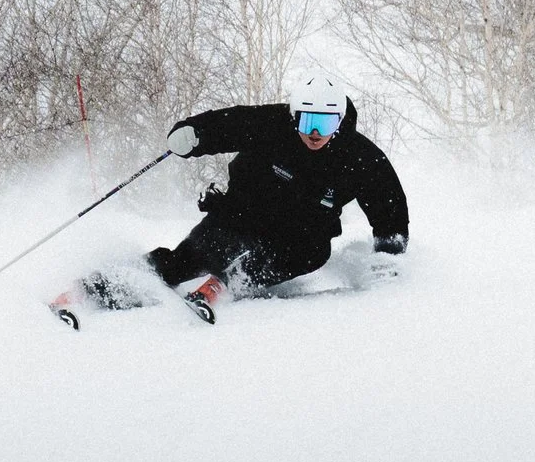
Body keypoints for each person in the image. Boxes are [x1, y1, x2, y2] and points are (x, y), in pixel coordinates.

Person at [58, 69, 410, 325]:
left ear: (340, 120)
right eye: (306, 122)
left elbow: (388, 206)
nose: (314, 133)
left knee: (314, 251)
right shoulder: (272, 125)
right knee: (188, 259)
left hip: (301, 236)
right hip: (241, 214)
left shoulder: (361, 157)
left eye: (325, 123)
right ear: (294, 116)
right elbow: (229, 124)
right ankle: (97, 288)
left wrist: (389, 254)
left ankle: (229, 282)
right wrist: (194, 135)